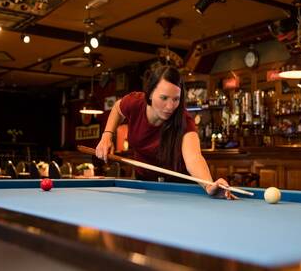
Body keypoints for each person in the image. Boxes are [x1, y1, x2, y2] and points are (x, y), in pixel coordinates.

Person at [95, 65, 237, 200]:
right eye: (164, 98)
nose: (170, 107)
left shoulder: (184, 121)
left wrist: (209, 185)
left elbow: (194, 158)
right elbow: (117, 108)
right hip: (145, 183)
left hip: (178, 187)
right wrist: (107, 135)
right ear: (150, 93)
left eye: (176, 99)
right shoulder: (135, 103)